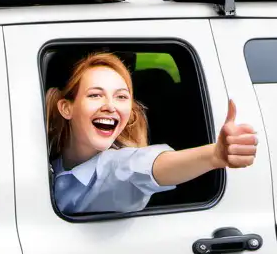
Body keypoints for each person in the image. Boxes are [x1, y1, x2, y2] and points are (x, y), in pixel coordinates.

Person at [46, 51, 258, 215]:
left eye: (121, 97)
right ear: (66, 108)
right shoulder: (48, 159)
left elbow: (147, 166)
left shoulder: (116, 167)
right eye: (95, 95)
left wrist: (214, 155)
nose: (110, 106)